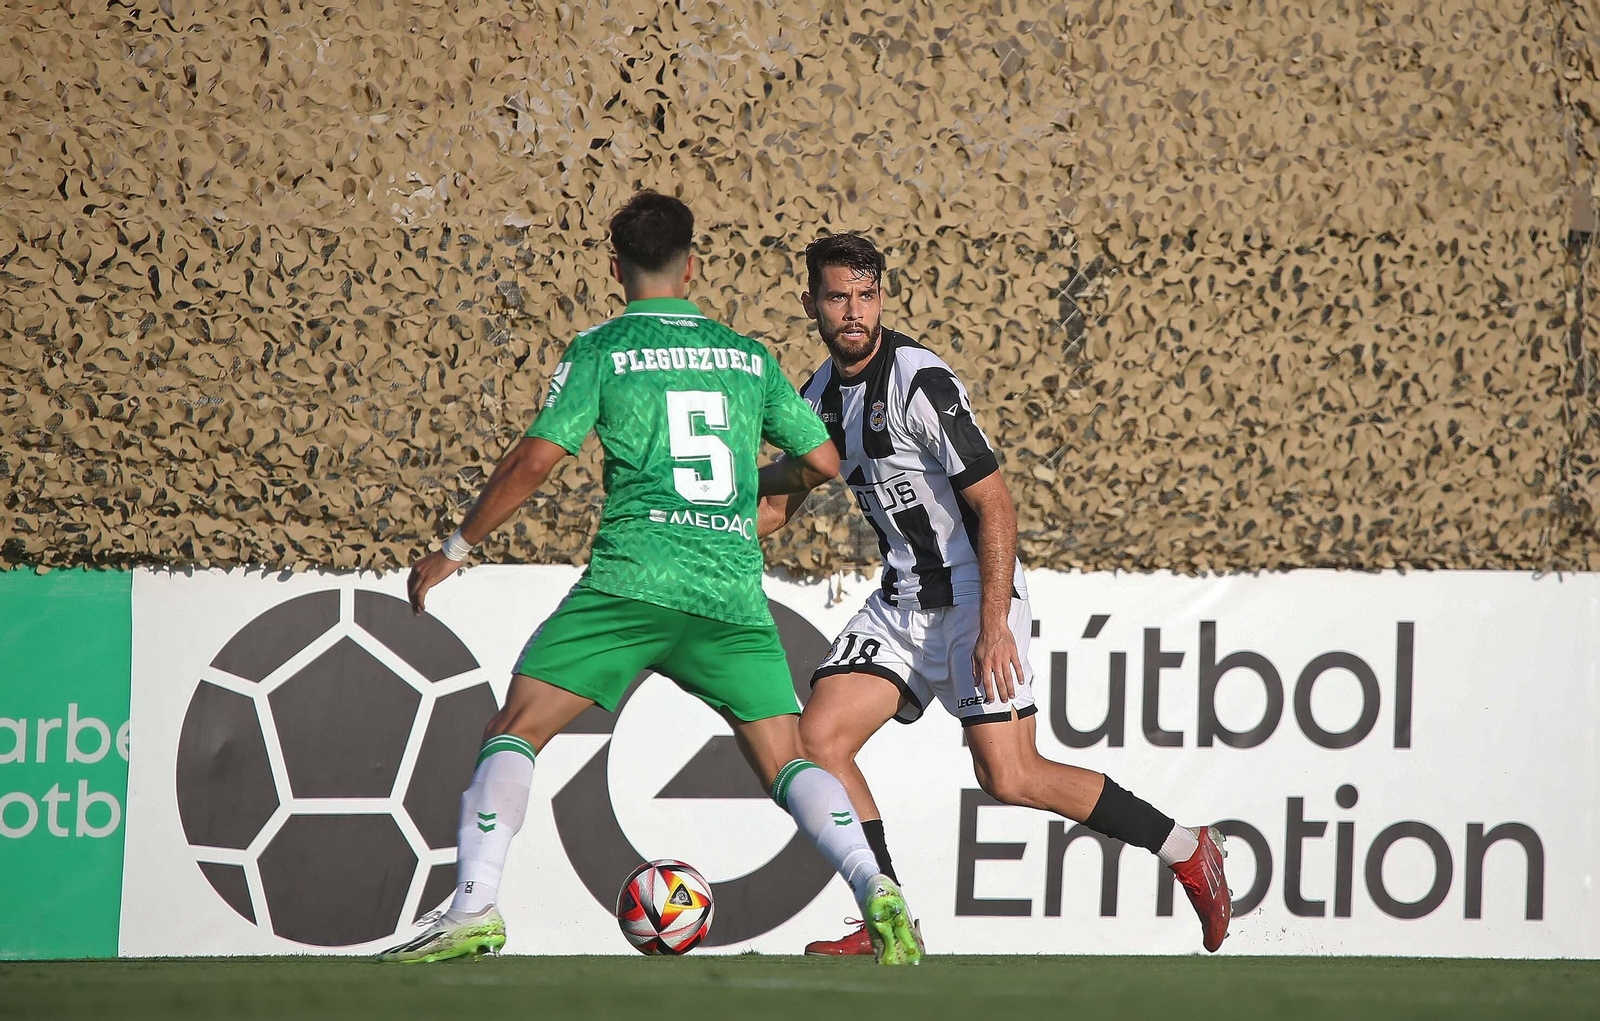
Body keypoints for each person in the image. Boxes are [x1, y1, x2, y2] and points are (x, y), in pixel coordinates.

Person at [380, 194, 921, 965]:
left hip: (632, 583)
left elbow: (537, 459)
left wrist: (457, 546)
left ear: (614, 269)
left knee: (516, 729)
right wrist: (739, 491)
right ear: (692, 264)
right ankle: (876, 887)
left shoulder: (603, 348)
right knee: (789, 757)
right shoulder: (746, 355)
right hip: (729, 591)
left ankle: (473, 907)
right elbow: (824, 464)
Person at [758, 233, 1232, 956]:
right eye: (836, 297)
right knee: (818, 738)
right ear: (811, 305)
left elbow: (998, 505)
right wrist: (705, 524)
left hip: (977, 594)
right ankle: (887, 916)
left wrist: (993, 624)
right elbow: (782, 499)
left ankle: (1186, 846)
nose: (853, 311)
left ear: (881, 297)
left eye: (865, 295)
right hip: (901, 603)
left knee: (1009, 776)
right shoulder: (816, 396)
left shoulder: (920, 381)